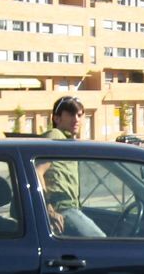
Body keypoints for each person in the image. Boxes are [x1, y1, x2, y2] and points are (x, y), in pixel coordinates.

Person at [36, 96, 105, 237]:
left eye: (79, 115)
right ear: (56, 118)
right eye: (71, 114)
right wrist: (48, 209)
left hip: (68, 208)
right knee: (101, 242)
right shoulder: (55, 136)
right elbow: (37, 171)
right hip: (61, 208)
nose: (76, 119)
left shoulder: (67, 142)